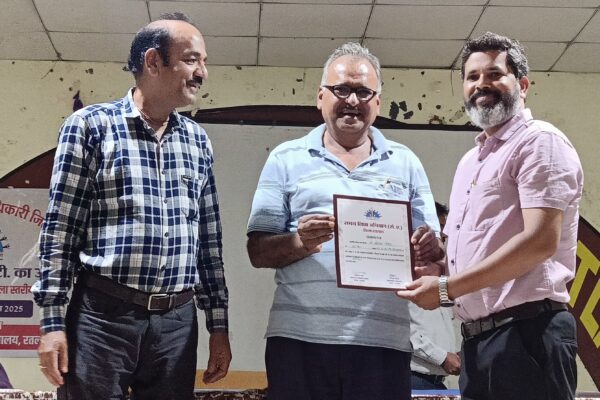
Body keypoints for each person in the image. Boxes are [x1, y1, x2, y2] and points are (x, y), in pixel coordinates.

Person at [32, 12, 231, 400]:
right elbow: (60, 230)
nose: (202, 73)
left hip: (177, 323)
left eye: (204, 62)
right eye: (192, 59)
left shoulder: (197, 141)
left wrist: (218, 326)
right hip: (102, 317)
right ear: (153, 61)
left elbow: (208, 243)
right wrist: (52, 322)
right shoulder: (90, 126)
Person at [246, 42, 443, 400]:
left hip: (383, 343)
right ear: (320, 97)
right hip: (299, 341)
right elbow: (257, 252)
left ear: (378, 102)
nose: (352, 100)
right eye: (341, 89)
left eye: (363, 92)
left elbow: (434, 258)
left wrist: (431, 250)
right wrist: (300, 242)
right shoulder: (285, 158)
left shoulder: (406, 162)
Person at [397, 32, 583, 400]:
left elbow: (539, 242)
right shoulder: (471, 162)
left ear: (523, 85)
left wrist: (447, 288)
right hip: (477, 343)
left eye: (495, 74)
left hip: (528, 335)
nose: (481, 84)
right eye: (472, 77)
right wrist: (441, 264)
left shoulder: (540, 142)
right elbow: (487, 249)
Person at [409, 202, 460, 390]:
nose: (441, 242)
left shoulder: (441, 274)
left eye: (443, 237)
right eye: (436, 235)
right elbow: (401, 330)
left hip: (436, 380)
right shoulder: (402, 275)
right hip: (414, 378)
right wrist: (442, 357)